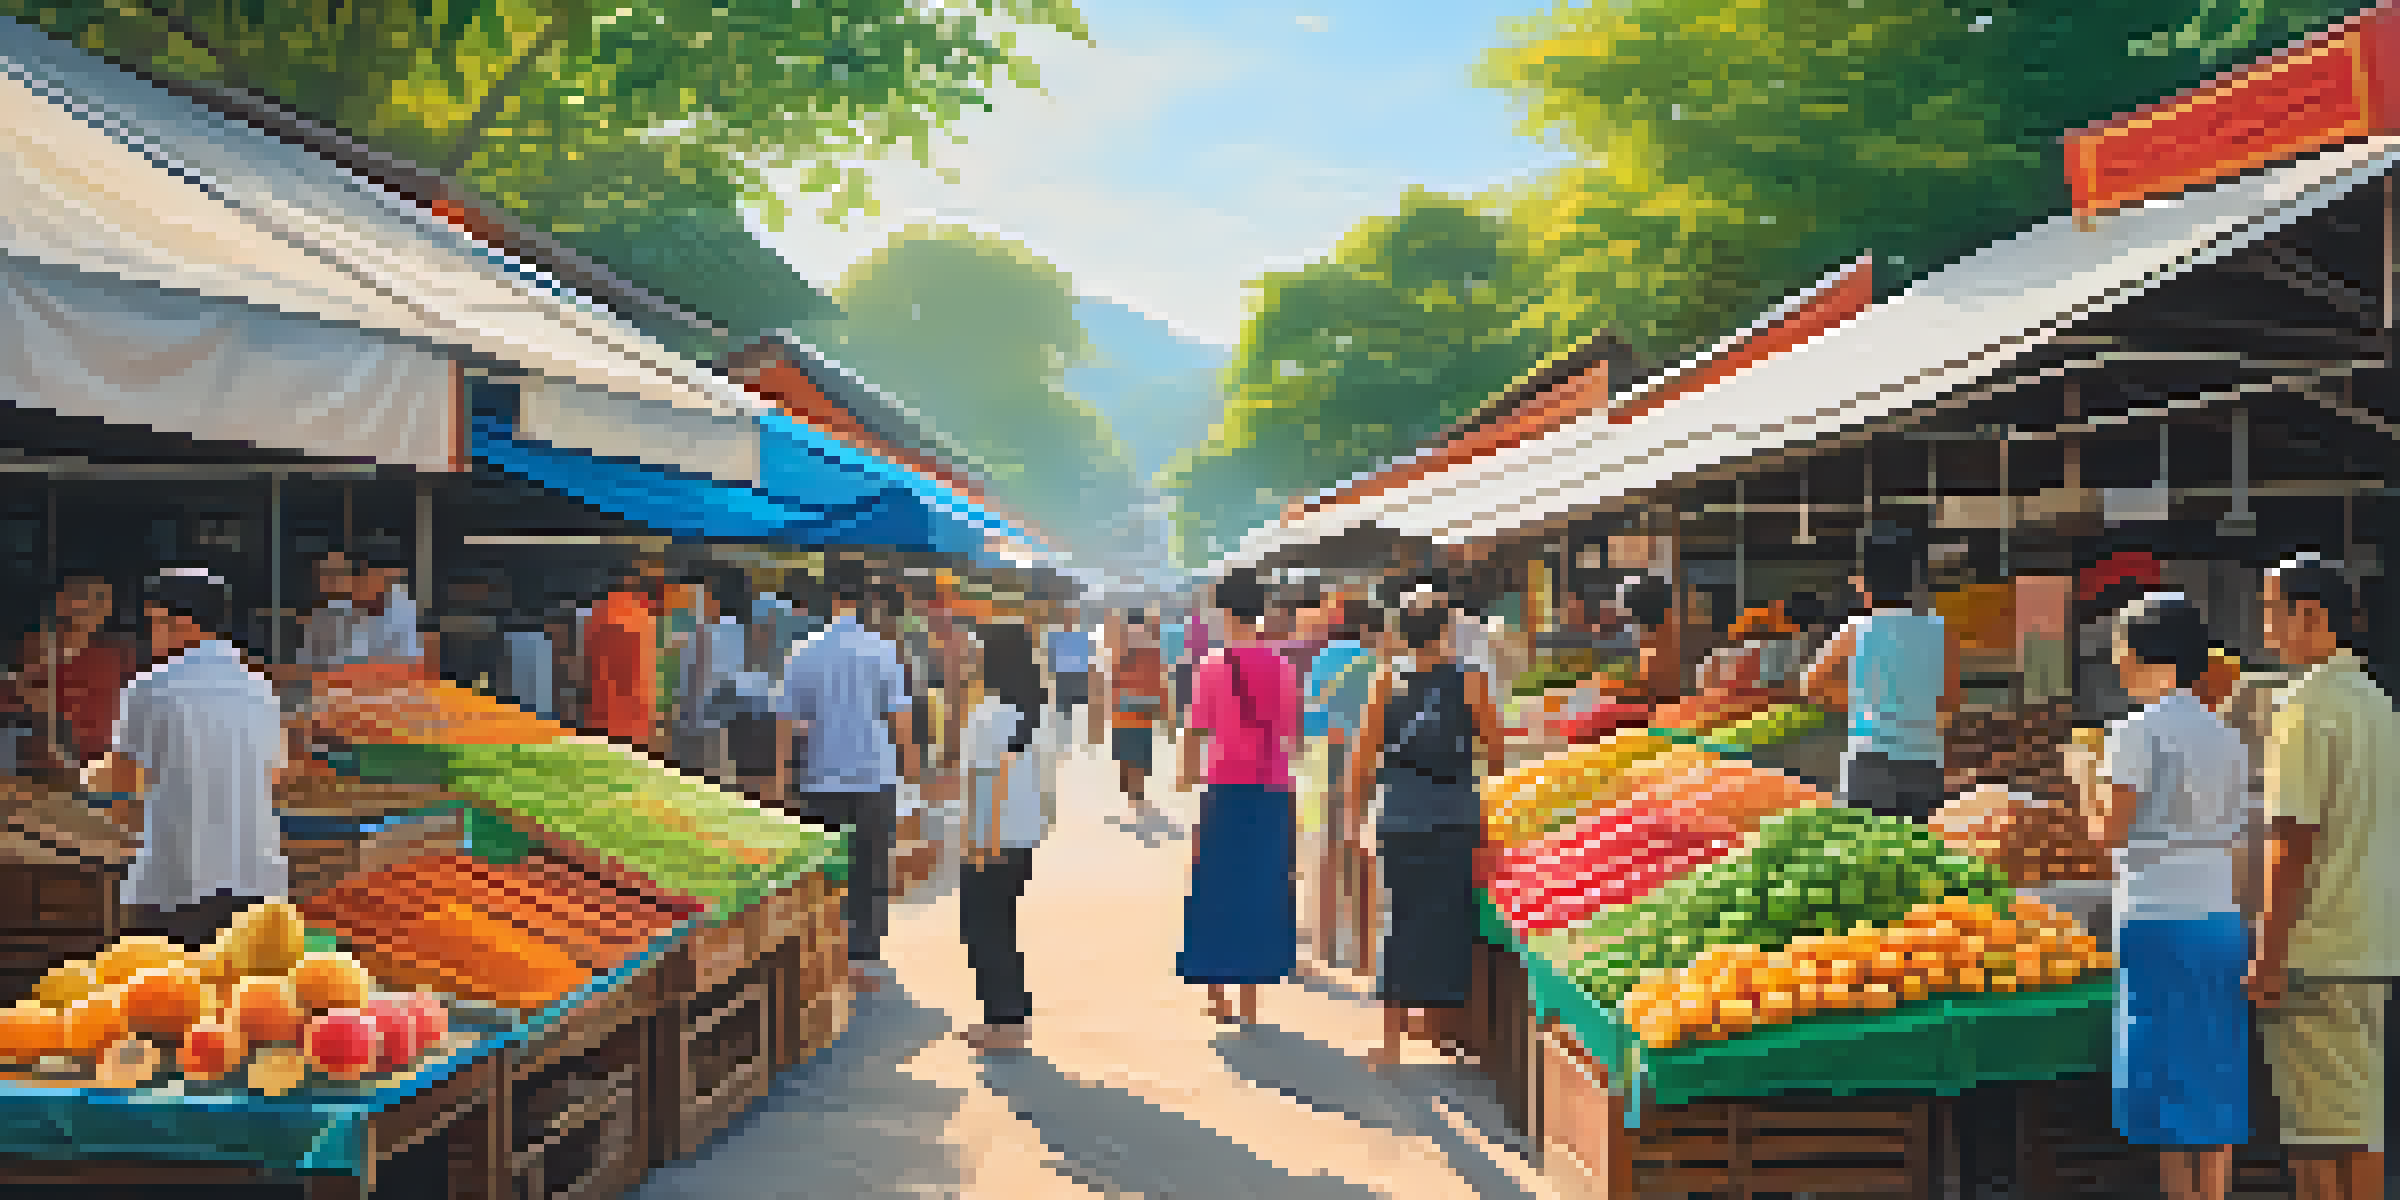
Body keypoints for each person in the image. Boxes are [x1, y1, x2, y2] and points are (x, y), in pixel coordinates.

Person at [2074, 594, 2251, 1200]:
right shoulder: (2226, 737)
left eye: (2120, 646)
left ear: (2146, 653)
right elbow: (2240, 836)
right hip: (2218, 915)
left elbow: (2108, 832)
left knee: (2171, 1087)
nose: (2115, 660)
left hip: (2156, 916)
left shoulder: (2134, 733)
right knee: (2213, 1076)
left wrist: (2082, 781)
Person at [2246, 554, 2400, 1200]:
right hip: (2369, 939)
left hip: (2318, 949)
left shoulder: (2304, 708)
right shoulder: (2374, 702)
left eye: (2270, 607)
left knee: (2315, 1135)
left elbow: (2292, 839)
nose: (2264, 622)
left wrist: (2270, 954)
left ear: (2308, 614)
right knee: (2359, 1125)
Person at [84, 571, 291, 949]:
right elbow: (274, 778)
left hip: (173, 880)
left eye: (154, 622)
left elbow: (117, 781)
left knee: (167, 1001)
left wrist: (87, 781)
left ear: (179, 622)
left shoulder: (150, 688)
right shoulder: (261, 691)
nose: (151, 635)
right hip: (257, 884)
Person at [1348, 586, 1502, 1069]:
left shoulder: (1384, 683)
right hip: (1454, 814)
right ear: (1445, 630)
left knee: (1400, 921)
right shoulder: (1470, 682)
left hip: (1397, 814)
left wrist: (1355, 821)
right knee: (1448, 921)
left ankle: (1391, 1043)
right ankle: (1441, 1033)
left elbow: (1362, 760)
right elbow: (1496, 752)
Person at [775, 560, 917, 993]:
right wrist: (910, 771)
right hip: (874, 772)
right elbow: (899, 717)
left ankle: (828, 943)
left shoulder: (804, 650)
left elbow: (787, 718)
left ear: (829, 598)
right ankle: (865, 953)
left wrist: (782, 774)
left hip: (821, 773)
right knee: (872, 864)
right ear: (867, 600)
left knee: (826, 867)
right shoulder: (882, 650)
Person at [1176, 569, 1301, 1027]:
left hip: (1226, 786)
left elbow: (1196, 730)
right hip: (1271, 790)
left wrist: (1186, 776)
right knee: (1261, 888)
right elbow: (1292, 735)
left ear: (1226, 613)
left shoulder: (1212, 665)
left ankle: (1217, 995)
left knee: (1216, 885)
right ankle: (1250, 1001)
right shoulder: (1283, 667)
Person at [1800, 530, 1962, 822]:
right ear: (1913, 585)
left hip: (1868, 760)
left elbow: (1811, 684)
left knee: (1865, 855)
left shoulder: (1856, 629)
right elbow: (1949, 702)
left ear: (1865, 586)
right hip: (1923, 761)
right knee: (1921, 857)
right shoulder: (1941, 632)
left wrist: (1860, 703)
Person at [956, 621, 1057, 1055]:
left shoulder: (987, 716)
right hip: (1023, 836)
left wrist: (977, 842)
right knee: (1000, 925)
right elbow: (1046, 784)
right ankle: (1008, 1017)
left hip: (991, 837)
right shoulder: (1038, 715)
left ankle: (1004, 1023)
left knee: (982, 928)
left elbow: (983, 784)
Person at [7, 576, 136, 776]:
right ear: (61, 602)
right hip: (51, 769)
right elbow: (30, 704)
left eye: (102, 600)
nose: (94, 607)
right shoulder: (39, 649)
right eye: (83, 598)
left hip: (106, 768)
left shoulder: (117, 653)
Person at [584, 557, 668, 754]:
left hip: (598, 711)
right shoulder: (641, 618)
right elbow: (647, 673)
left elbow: (588, 666)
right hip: (635, 715)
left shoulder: (595, 615)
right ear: (629, 581)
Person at [1102, 609, 1170, 820]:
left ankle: (1134, 790)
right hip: (1134, 710)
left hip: (1134, 711)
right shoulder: (1139, 650)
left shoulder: (1127, 649)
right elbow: (1158, 681)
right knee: (1133, 750)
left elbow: (1157, 680)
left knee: (1133, 750)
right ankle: (1134, 789)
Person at [1046, 608, 1095, 735]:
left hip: (1080, 675)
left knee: (1081, 705)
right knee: (1064, 707)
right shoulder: (1054, 635)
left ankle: (1081, 729)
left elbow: (1089, 656)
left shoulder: (1083, 635)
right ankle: (1064, 730)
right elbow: (1051, 657)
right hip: (1063, 675)